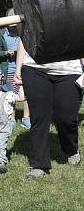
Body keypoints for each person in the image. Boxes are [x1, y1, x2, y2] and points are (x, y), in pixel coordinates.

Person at [14, 42, 82, 179]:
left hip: (69, 69)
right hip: (34, 67)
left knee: (65, 116)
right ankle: (38, 164)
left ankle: (70, 149)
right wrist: (18, 67)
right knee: (39, 117)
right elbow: (25, 36)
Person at [0, 10, 30, 129]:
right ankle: (11, 118)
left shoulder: (24, 32)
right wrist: (5, 53)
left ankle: (26, 118)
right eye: (11, 26)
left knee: (27, 94)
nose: (14, 28)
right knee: (10, 95)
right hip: (8, 69)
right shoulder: (1, 35)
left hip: (25, 68)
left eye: (15, 26)